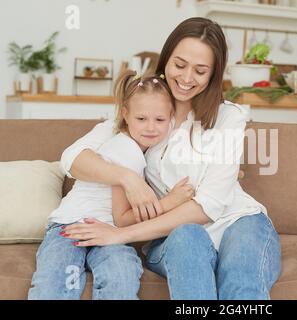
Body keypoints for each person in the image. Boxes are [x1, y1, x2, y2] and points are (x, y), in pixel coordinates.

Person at [62, 17, 282, 300]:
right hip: (175, 236)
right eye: (179, 65)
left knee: (241, 289)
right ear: (166, 60)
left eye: (201, 71)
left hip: (239, 222)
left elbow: (209, 206)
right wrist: (126, 178)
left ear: (213, 75)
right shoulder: (145, 109)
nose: (187, 78)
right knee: (187, 237)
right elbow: (71, 159)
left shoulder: (229, 117)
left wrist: (120, 235)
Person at [28, 71, 194, 300]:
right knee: (54, 282)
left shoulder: (147, 148)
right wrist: (170, 202)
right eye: (141, 119)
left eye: (160, 120)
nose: (151, 128)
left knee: (122, 276)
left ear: (171, 118)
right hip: (72, 226)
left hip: (110, 234)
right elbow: (122, 219)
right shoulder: (127, 151)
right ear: (125, 115)